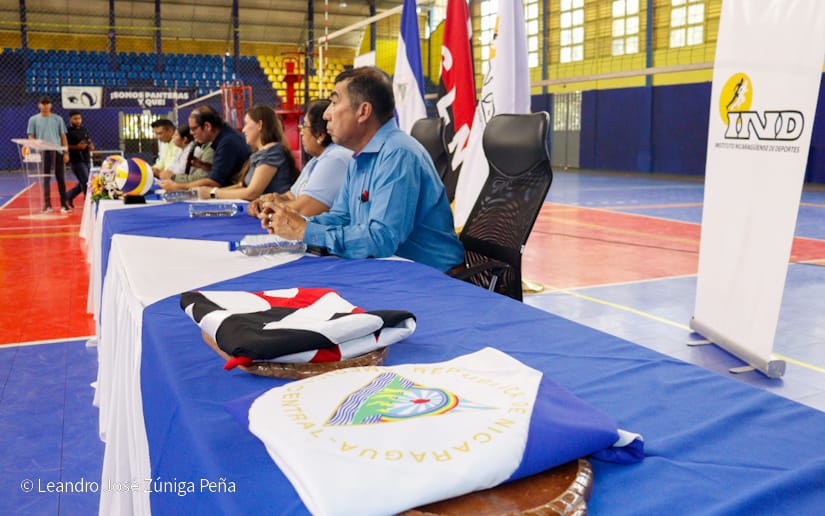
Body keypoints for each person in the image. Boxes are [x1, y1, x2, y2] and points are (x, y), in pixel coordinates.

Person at [261, 66, 465, 273]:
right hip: (392, 268)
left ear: (363, 112)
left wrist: (305, 231)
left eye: (334, 102)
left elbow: (381, 239)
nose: (326, 114)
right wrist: (296, 222)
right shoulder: (359, 157)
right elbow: (342, 217)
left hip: (432, 276)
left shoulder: (398, 154)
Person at [248, 99, 351, 218]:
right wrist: (268, 199)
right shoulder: (316, 160)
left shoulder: (335, 159)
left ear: (320, 135)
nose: (301, 132)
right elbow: (291, 196)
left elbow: (303, 210)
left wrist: (266, 207)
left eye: (304, 126)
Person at [195, 105, 297, 201]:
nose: (243, 130)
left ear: (260, 125)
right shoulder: (262, 153)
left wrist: (213, 193)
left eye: (246, 124)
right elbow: (242, 186)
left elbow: (252, 193)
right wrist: (210, 192)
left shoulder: (272, 152)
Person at [157, 105, 250, 192]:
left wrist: (177, 186)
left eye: (194, 129)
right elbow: (223, 171)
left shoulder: (227, 143)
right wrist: (202, 165)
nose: (191, 133)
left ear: (207, 126)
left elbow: (214, 182)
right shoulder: (225, 137)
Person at [27, 97, 70, 213]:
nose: (45, 106)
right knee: (45, 179)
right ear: (39, 105)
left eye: (47, 103)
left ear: (51, 105)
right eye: (43, 103)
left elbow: (63, 136)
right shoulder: (33, 119)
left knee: (60, 178)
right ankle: (47, 205)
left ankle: (64, 204)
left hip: (57, 151)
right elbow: (30, 135)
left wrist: (66, 153)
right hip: (43, 152)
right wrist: (35, 143)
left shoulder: (58, 119)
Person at [65, 110, 94, 209]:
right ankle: (88, 203)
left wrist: (90, 146)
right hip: (76, 160)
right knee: (86, 181)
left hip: (86, 158)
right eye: (75, 119)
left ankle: (68, 196)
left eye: (79, 118)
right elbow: (64, 146)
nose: (78, 120)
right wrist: (77, 147)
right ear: (70, 119)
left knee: (86, 181)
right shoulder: (67, 131)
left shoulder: (84, 130)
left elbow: (88, 141)